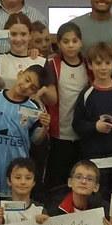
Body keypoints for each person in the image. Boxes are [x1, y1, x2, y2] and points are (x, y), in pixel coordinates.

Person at [0, 68, 50, 201]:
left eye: (32, 87)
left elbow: (36, 139)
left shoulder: (34, 108)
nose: (26, 86)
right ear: (20, 74)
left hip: (18, 167)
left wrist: (45, 127)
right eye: (26, 79)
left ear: (35, 92)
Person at [72, 40, 112, 201]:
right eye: (98, 63)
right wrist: (95, 127)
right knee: (96, 204)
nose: (103, 67)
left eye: (107, 62)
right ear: (90, 65)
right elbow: (77, 125)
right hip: (95, 161)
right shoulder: (87, 93)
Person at [43, 22, 90, 191]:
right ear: (59, 44)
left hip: (83, 134)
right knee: (58, 183)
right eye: (66, 41)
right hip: (59, 134)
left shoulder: (89, 65)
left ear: (81, 42)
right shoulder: (51, 65)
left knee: (80, 181)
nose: (70, 45)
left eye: (74, 41)